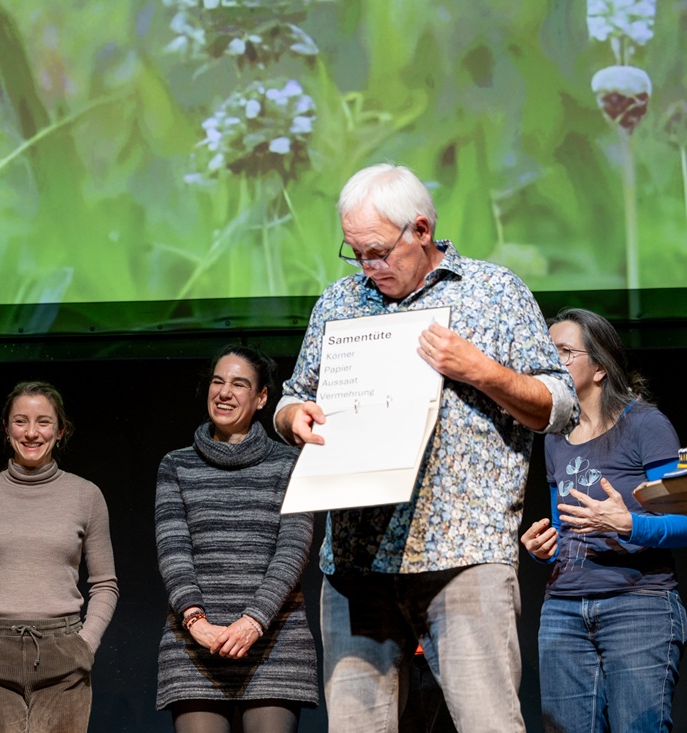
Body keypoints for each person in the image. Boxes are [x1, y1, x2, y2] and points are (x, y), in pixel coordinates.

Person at [275, 163, 577, 732]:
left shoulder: (495, 291)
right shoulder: (340, 302)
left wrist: (482, 370)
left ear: (420, 229)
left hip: (463, 554)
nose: (367, 266)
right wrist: (295, 418)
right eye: (355, 252)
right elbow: (291, 397)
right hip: (357, 563)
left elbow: (560, 405)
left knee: (488, 723)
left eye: (377, 251)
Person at [520, 307, 686, 732]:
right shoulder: (554, 438)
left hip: (638, 604)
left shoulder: (646, 425)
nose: (551, 363)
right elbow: (565, 527)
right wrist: (544, 549)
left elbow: (685, 522)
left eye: (564, 352)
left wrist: (628, 523)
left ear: (599, 368)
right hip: (563, 609)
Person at [0, 381, 119, 733]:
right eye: (21, 421)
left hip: (63, 652)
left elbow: (105, 583)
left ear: (61, 430)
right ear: (6, 429)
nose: (32, 432)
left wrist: (86, 644)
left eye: (44, 422)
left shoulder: (86, 496)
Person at [155, 344, 317, 733]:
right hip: (196, 645)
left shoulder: (290, 463)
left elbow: (292, 551)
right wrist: (198, 624)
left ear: (262, 398)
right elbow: (173, 551)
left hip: (274, 643)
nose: (224, 392)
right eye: (217, 381)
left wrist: (252, 622)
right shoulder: (176, 465)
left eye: (239, 384)